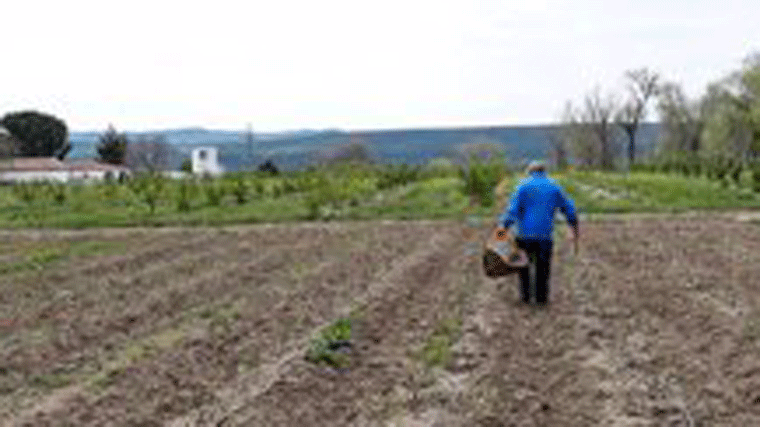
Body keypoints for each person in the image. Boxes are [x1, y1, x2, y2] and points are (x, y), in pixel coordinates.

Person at [497, 160, 578, 306]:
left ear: (530, 171)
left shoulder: (522, 186)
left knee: (523, 267)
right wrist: (573, 226)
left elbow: (511, 212)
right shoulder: (554, 187)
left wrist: (501, 233)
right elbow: (569, 208)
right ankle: (541, 299)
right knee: (543, 268)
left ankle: (526, 298)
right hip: (545, 236)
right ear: (544, 171)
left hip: (524, 236)